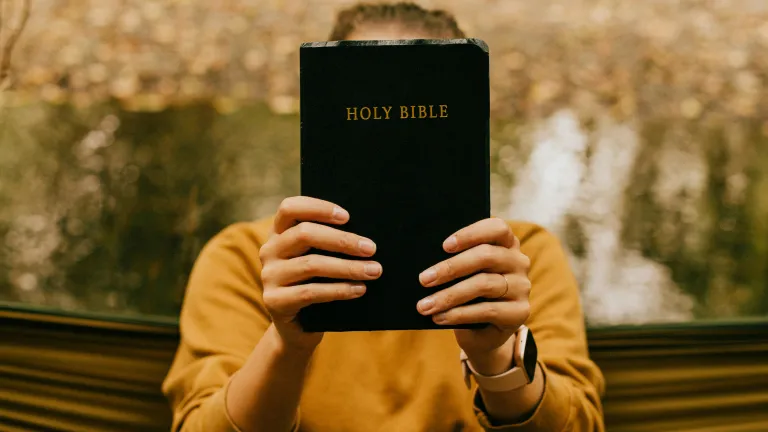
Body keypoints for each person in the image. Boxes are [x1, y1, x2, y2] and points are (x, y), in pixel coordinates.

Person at [162, 3, 605, 431]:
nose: (397, 149)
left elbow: (581, 424)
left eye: (426, 118)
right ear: (324, 126)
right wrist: (287, 344)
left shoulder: (516, 263)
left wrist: (497, 358)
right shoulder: (249, 260)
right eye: (369, 116)